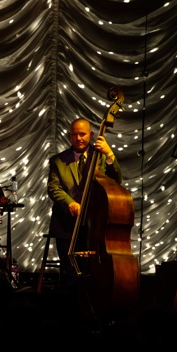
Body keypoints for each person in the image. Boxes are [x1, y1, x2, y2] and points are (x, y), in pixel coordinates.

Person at [47, 117, 122, 286]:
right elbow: (53, 188)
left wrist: (109, 154)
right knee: (70, 273)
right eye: (75, 135)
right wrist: (69, 203)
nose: (79, 138)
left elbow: (117, 181)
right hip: (66, 224)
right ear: (69, 136)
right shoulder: (58, 161)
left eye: (82, 134)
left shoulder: (100, 157)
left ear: (91, 134)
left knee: (94, 272)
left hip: (94, 224)